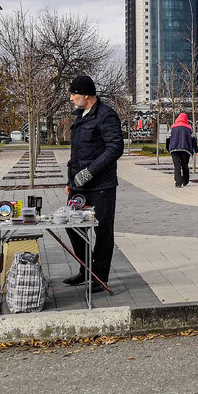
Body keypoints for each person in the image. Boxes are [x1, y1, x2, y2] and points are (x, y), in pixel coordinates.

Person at [66, 75, 124, 291]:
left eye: (74, 94)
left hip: (101, 186)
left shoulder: (106, 116)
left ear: (87, 95)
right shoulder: (80, 117)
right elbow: (76, 154)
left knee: (102, 230)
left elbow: (115, 148)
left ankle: (99, 278)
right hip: (78, 186)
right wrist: (71, 181)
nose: (71, 98)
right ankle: (85, 270)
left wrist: (90, 172)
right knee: (72, 226)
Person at [166, 113, 198, 187]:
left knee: (177, 166)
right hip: (185, 149)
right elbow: (193, 140)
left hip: (174, 149)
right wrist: (196, 150)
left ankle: (178, 182)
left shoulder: (172, 128)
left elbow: (168, 138)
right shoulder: (189, 128)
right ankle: (185, 180)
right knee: (185, 165)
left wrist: (168, 148)